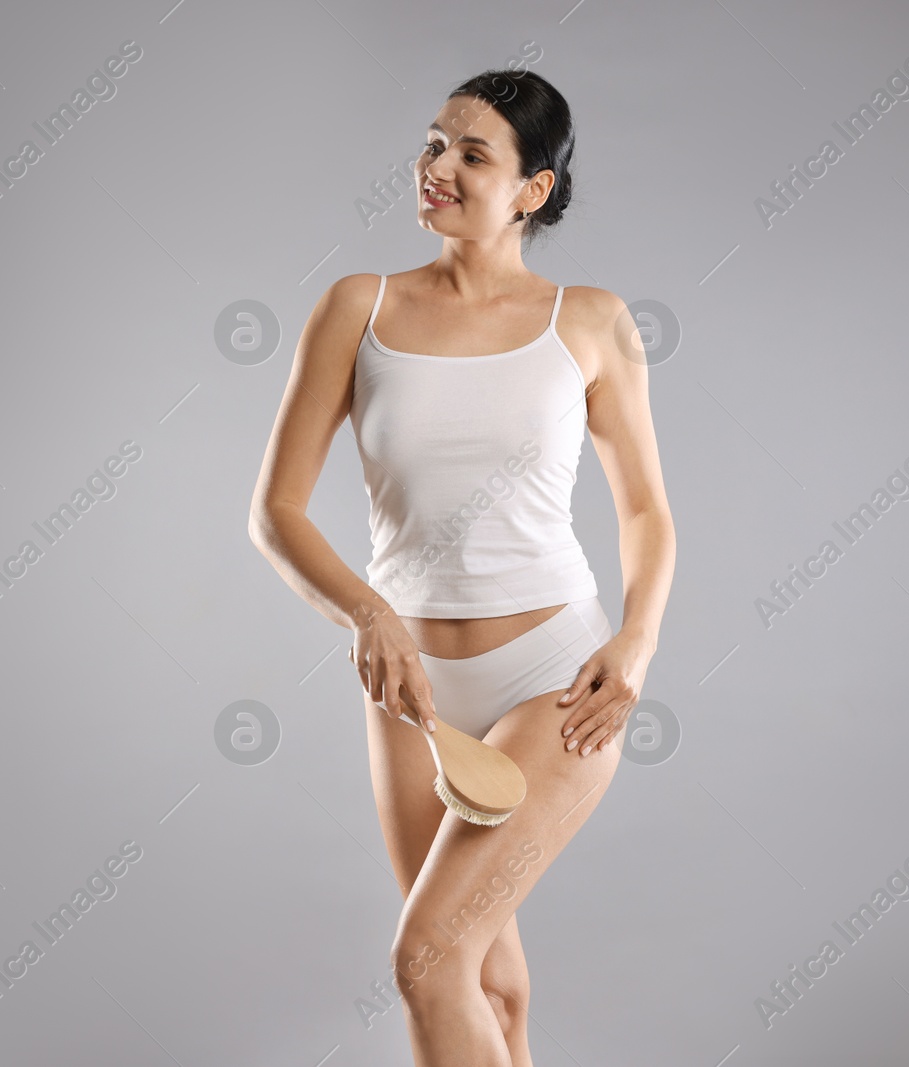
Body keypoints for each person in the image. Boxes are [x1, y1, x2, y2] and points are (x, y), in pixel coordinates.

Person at [248, 68, 674, 1066]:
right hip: (410, 693)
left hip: (556, 677)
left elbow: (647, 508)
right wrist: (365, 611)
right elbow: (275, 511)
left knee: (428, 956)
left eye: (471, 155)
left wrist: (637, 643)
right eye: (434, 143)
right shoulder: (358, 306)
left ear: (531, 190)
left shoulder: (592, 320)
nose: (436, 167)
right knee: (484, 978)